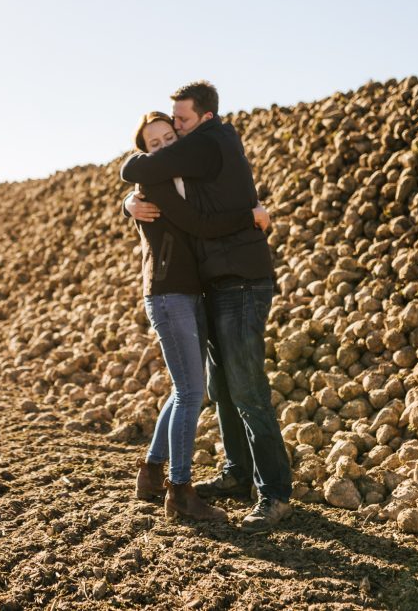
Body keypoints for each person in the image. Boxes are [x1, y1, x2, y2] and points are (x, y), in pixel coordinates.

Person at [121, 81, 293, 533]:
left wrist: (249, 216)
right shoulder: (186, 161)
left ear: (205, 119)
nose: (175, 130)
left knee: (246, 388)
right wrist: (130, 202)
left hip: (240, 280)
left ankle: (274, 493)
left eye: (180, 123)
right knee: (219, 388)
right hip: (210, 286)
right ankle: (236, 473)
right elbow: (138, 172)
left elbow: (146, 176)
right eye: (170, 124)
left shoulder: (212, 141)